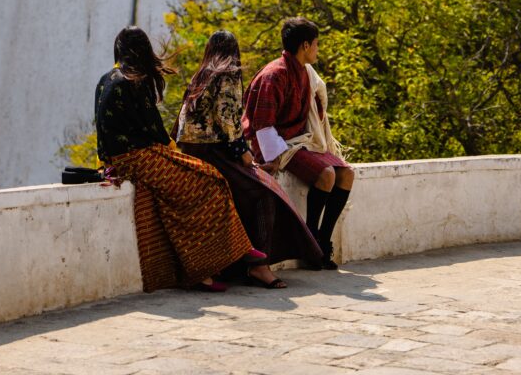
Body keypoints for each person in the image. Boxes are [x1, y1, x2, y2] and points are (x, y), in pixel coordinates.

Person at [95, 25, 268, 293]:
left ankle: (218, 260)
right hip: (137, 158)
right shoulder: (133, 81)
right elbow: (155, 131)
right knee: (209, 180)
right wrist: (172, 153)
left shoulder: (106, 78)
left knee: (184, 191)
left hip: (115, 160)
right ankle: (227, 257)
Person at [176, 30, 323, 286]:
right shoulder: (228, 74)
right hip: (213, 151)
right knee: (265, 193)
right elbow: (228, 121)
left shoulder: (202, 74)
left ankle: (239, 264)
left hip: (190, 151)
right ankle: (259, 266)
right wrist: (244, 156)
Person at [243, 16, 354, 269]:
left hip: (299, 141)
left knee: (346, 174)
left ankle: (323, 241)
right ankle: (311, 244)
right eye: (316, 44)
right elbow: (262, 125)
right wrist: (271, 158)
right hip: (277, 144)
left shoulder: (305, 73)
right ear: (305, 46)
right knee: (326, 175)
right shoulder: (274, 75)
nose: (318, 49)